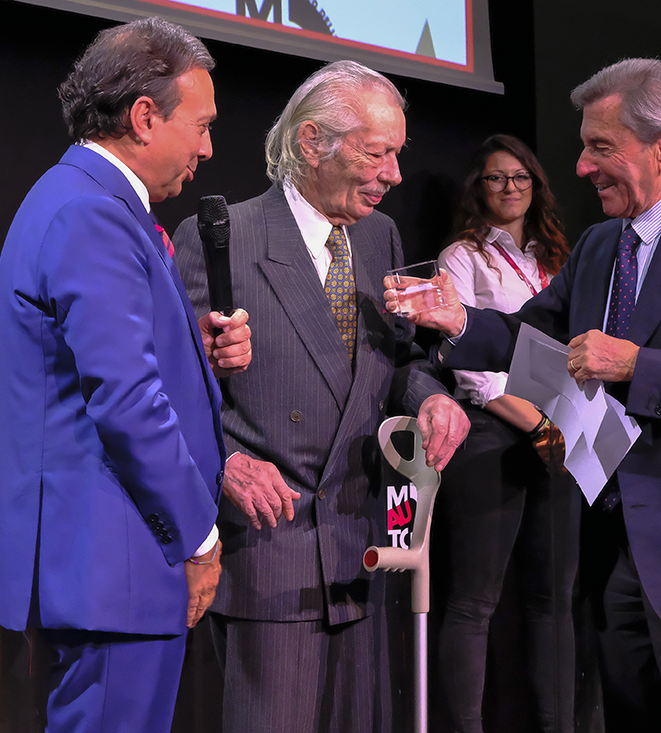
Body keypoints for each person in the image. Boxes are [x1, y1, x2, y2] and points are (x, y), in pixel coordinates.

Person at [388, 58, 661, 732]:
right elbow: (532, 337)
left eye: (600, 146)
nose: (581, 166)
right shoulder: (596, 247)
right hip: (619, 559)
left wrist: (638, 366)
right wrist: (459, 320)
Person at [173, 59, 470, 733]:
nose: (394, 175)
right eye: (378, 153)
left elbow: (395, 359)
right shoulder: (224, 238)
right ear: (312, 144)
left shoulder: (379, 236)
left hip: (360, 547)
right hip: (271, 554)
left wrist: (430, 396)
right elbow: (175, 388)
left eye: (398, 154)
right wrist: (225, 461)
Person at [0, 17, 251, 732]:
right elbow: (125, 399)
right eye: (203, 125)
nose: (209, 148)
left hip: (113, 562)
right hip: (118, 564)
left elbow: (105, 363)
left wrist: (197, 348)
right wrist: (199, 536)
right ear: (144, 116)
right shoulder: (94, 212)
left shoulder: (88, 202)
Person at [434, 134, 577, 733]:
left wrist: (561, 425)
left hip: (563, 434)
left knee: (554, 601)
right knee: (473, 603)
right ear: (479, 188)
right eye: (496, 178)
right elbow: (470, 365)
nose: (510, 187)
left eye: (521, 177)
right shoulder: (461, 258)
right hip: (496, 434)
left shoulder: (557, 260)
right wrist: (535, 421)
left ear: (536, 184)